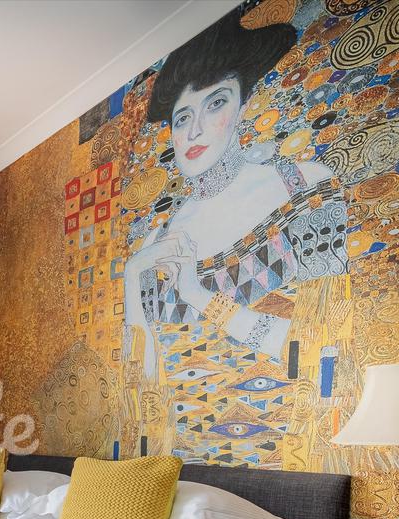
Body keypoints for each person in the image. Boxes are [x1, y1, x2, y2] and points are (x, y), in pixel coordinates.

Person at [121, 14, 349, 461]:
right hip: (179, 459)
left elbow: (323, 353)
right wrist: (133, 277)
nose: (195, 130)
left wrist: (198, 295)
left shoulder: (302, 188)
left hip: (285, 451)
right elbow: (141, 393)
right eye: (182, 117)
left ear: (243, 106)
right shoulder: (155, 242)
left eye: (215, 103)